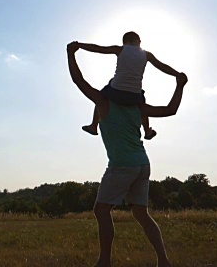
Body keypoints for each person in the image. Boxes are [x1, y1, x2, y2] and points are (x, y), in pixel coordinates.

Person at [66, 41, 187, 267]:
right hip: (142, 164)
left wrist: (71, 54)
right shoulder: (137, 108)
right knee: (142, 214)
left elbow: (78, 80)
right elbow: (171, 110)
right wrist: (180, 85)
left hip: (122, 165)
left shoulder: (103, 103)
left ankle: (104, 261)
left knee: (101, 210)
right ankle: (163, 261)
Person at [78, 31, 181, 140]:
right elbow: (162, 66)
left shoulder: (120, 49)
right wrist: (177, 74)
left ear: (124, 42)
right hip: (134, 97)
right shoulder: (146, 54)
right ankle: (147, 131)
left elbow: (99, 48)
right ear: (138, 41)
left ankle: (94, 126)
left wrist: (80, 45)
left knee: (100, 97)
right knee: (142, 105)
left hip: (115, 92)